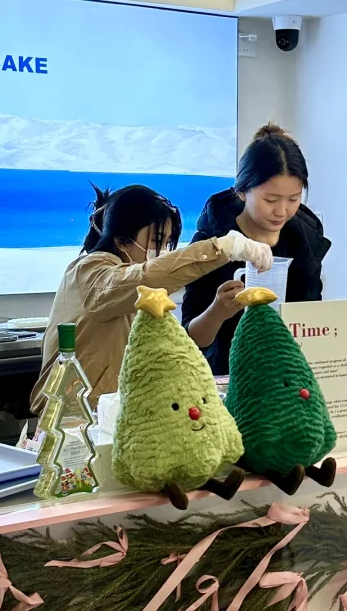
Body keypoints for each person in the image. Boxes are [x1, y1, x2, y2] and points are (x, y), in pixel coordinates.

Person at [30, 184, 271, 413]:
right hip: (76, 418)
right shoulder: (91, 271)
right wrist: (223, 247)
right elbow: (145, 277)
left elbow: (185, 343)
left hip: (122, 414)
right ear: (121, 241)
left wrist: (217, 311)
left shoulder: (143, 285)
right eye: (157, 241)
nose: (162, 252)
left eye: (167, 242)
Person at [183, 124, 330, 374]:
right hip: (229, 376)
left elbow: (313, 320)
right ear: (242, 191)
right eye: (270, 200)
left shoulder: (305, 241)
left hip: (288, 375)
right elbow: (192, 340)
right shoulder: (213, 244)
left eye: (293, 199)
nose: (282, 211)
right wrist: (217, 311)